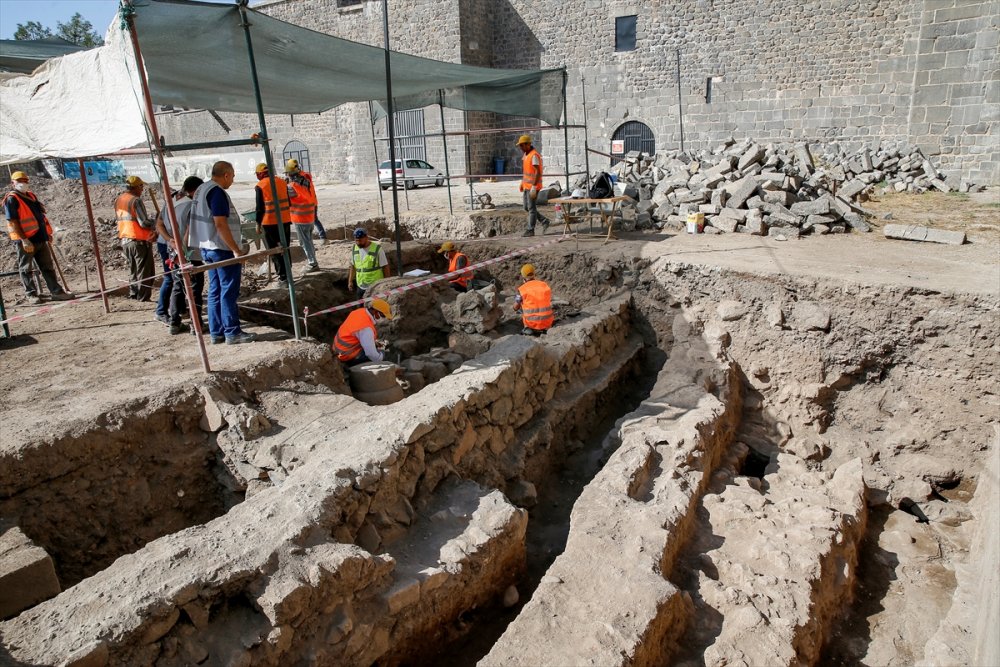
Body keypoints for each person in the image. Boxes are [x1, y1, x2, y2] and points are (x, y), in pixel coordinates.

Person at [190, 161, 254, 345]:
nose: (232, 181)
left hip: (207, 247)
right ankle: (232, 332)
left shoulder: (202, 189)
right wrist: (235, 249)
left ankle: (216, 332)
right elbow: (220, 224)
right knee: (228, 291)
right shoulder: (217, 192)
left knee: (215, 290)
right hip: (221, 248)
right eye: (232, 177)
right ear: (226, 175)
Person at [2, 171, 74, 304]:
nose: (22, 183)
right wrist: (24, 240)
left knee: (47, 266)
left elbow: (40, 217)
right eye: (19, 181)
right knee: (26, 268)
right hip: (26, 240)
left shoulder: (31, 196)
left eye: (24, 180)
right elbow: (13, 222)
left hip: (40, 238)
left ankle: (56, 291)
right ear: (13, 183)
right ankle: (31, 294)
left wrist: (47, 234)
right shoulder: (12, 199)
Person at [154, 176, 205, 335]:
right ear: (195, 190)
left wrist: (170, 242)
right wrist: (182, 249)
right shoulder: (192, 204)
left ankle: (175, 323)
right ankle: (196, 325)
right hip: (188, 252)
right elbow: (190, 229)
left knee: (177, 285)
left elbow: (159, 224)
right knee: (195, 287)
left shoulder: (172, 199)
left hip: (174, 250)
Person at [115, 175, 157, 301]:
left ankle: (134, 293)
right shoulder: (135, 200)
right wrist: (156, 222)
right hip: (138, 241)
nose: (142, 189)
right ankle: (143, 296)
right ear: (136, 187)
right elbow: (143, 222)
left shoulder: (119, 200)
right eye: (141, 186)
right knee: (145, 271)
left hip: (125, 240)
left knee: (133, 269)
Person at [254, 163, 292, 285]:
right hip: (285, 220)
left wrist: (257, 224)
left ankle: (282, 278)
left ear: (260, 174)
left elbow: (260, 208)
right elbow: (289, 202)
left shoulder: (260, 185)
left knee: (275, 251)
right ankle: (288, 275)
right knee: (285, 248)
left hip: (269, 222)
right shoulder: (281, 182)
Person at [333, 298, 393, 366]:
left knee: (377, 346)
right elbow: (370, 354)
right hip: (346, 357)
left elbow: (357, 335)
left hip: (338, 350)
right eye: (383, 316)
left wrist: (374, 343)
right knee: (382, 351)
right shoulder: (366, 328)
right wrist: (381, 357)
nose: (384, 319)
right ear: (376, 311)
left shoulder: (359, 312)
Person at [285, 159, 319, 271]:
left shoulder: (292, 187)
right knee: (309, 241)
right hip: (310, 217)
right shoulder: (306, 181)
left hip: (300, 218)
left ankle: (312, 263)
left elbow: (285, 196)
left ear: (289, 173)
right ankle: (313, 261)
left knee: (304, 242)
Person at [285, 158, 327, 243]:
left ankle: (323, 237)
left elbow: (298, 188)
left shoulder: (302, 177)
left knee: (314, 220)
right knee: (313, 221)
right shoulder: (301, 176)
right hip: (310, 201)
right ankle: (321, 237)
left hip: (310, 202)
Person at [517, 135, 549, 237]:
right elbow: (527, 171)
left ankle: (530, 229)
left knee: (531, 208)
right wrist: (523, 182)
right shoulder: (526, 155)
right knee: (526, 207)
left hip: (533, 187)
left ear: (528, 144)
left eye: (522, 146)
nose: (521, 148)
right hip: (527, 186)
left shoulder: (534, 155)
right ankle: (544, 221)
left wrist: (534, 187)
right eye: (520, 146)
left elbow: (538, 172)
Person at [347, 228, 391, 300]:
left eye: (360, 240)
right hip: (360, 285)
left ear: (366, 237)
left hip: (375, 286)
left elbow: (385, 267)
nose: (358, 243)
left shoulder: (377, 249)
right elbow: (353, 266)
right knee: (360, 309)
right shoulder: (355, 248)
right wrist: (350, 281)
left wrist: (387, 283)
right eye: (356, 240)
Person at [513, 263, 553, 336]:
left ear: (523, 277)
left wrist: (517, 306)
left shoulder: (522, 289)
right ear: (534, 274)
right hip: (547, 322)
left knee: (521, 309)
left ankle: (528, 329)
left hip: (531, 323)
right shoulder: (544, 285)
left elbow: (516, 307)